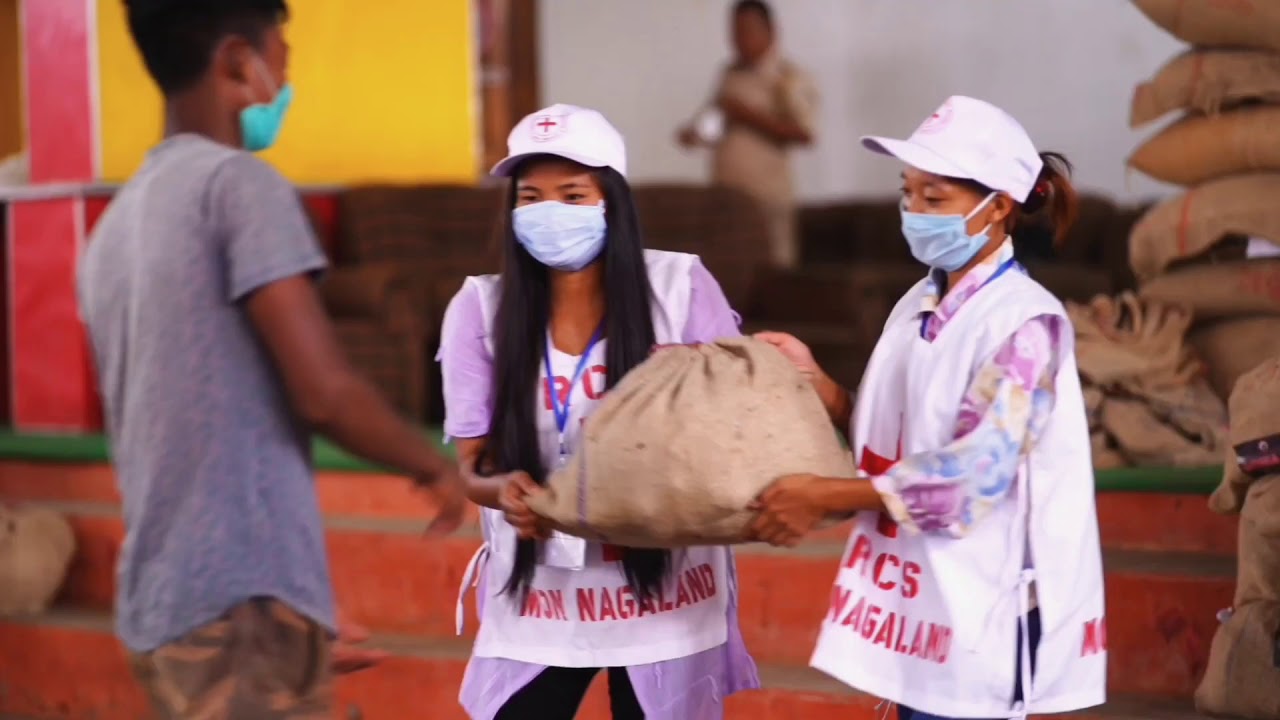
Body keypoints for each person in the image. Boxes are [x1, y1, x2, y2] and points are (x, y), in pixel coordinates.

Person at [77, 1, 466, 716]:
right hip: (242, 606)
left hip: (167, 603)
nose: (284, 89)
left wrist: (300, 601)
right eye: (282, 65)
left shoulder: (116, 226)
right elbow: (324, 391)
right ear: (236, 63)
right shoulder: (240, 187)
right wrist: (434, 465)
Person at [749, 96, 1107, 720]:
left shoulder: (1025, 325)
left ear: (997, 208)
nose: (913, 212)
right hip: (925, 604)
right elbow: (904, 431)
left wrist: (822, 495)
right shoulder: (919, 301)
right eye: (907, 193)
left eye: (934, 199)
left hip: (985, 611)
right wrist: (820, 386)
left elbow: (970, 478)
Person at [440, 103, 760, 720]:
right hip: (538, 596)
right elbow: (471, 466)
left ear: (612, 199)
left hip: (664, 592)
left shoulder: (680, 288)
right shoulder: (480, 309)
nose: (548, 212)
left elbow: (736, 432)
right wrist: (500, 489)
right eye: (529, 197)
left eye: (572, 194)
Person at [677, 0, 818, 269]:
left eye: (748, 30)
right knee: (729, 271)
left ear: (771, 31)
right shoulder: (729, 74)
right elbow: (715, 122)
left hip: (766, 199)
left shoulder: (787, 78)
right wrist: (694, 134)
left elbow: (804, 134)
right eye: (735, 31)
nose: (740, 39)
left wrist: (748, 115)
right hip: (726, 197)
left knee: (774, 273)